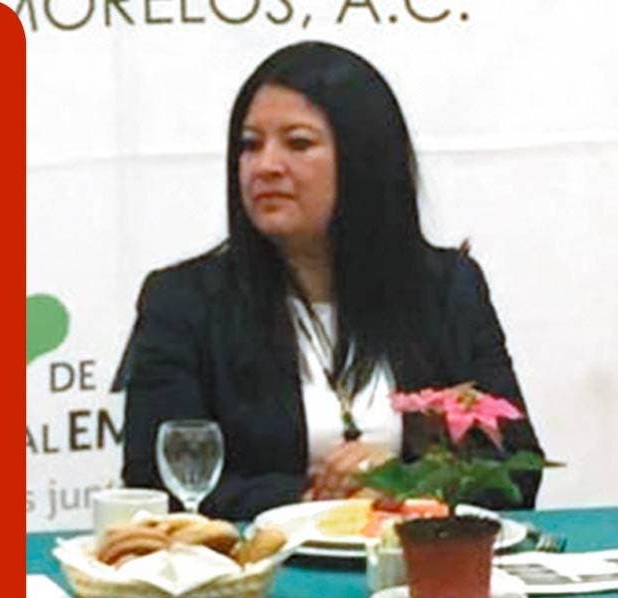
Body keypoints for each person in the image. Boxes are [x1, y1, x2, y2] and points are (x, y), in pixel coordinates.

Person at [113, 41, 544, 520]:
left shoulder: (447, 289)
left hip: (415, 560)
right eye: (250, 145)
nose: (265, 166)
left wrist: (401, 482)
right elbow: (159, 483)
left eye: (298, 143)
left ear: (365, 158)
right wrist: (319, 499)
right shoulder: (183, 301)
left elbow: (517, 474)